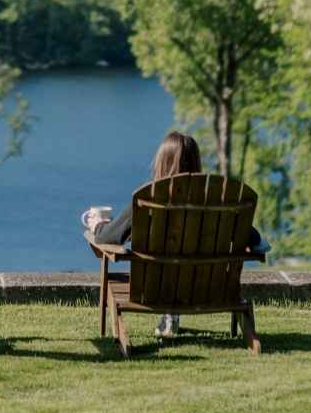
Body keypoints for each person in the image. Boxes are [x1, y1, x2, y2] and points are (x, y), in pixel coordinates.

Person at [81, 131, 266, 338]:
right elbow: (256, 240)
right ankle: (172, 315)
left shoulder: (146, 201)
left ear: (162, 162)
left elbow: (107, 238)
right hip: (208, 289)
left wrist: (97, 225)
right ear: (196, 163)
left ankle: (168, 315)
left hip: (153, 290)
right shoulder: (219, 207)